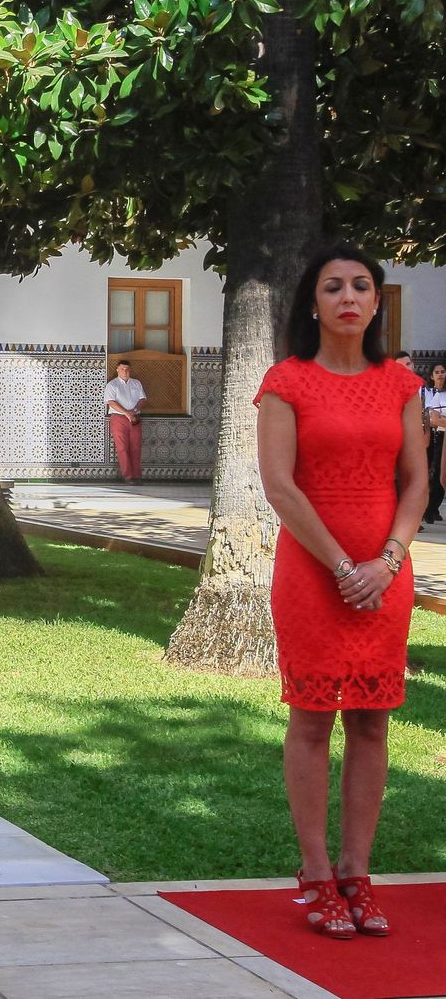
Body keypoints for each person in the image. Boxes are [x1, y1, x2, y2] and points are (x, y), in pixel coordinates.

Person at [255, 243, 425, 940]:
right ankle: (317, 871)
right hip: (313, 575)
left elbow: (416, 480)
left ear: (377, 303)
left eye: (361, 286)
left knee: (373, 720)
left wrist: (385, 559)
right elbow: (279, 486)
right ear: (314, 304)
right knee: (311, 717)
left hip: (385, 573)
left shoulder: (401, 385)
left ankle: (359, 870)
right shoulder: (285, 381)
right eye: (334, 287)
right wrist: (340, 565)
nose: (349, 297)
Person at [104, 359, 147, 483]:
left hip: (135, 418)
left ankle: (137, 476)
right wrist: (126, 413)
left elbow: (142, 399)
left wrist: (134, 411)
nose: (125, 371)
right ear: (117, 369)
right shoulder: (112, 385)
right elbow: (111, 402)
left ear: (130, 370)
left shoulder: (136, 383)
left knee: (136, 447)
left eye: (127, 369)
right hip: (119, 419)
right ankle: (128, 476)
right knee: (122, 447)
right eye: (122, 369)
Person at [423, 363, 446, 523]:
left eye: (443, 372)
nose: (440, 375)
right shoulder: (433, 394)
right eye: (437, 372)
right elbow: (434, 419)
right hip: (439, 437)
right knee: (439, 474)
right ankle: (429, 509)